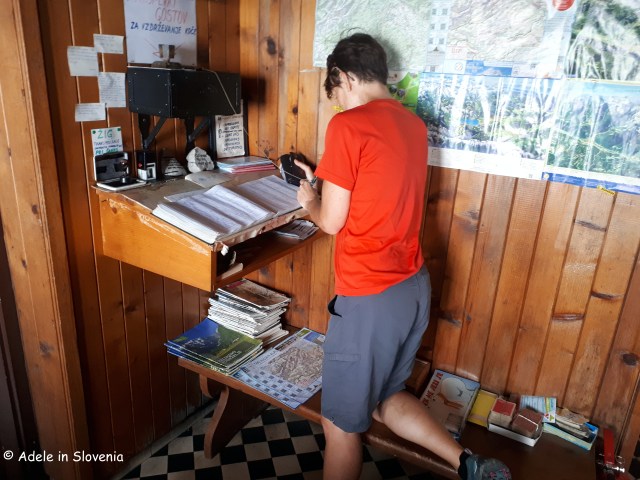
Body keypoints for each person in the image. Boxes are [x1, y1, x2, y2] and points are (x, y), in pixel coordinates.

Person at [294, 33, 512, 480]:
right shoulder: (413, 125)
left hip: (369, 294)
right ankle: (468, 463)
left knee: (340, 426)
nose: (339, 105)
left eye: (337, 95)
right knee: (386, 398)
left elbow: (331, 221)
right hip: (411, 287)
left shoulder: (347, 126)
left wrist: (309, 199)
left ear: (344, 77)